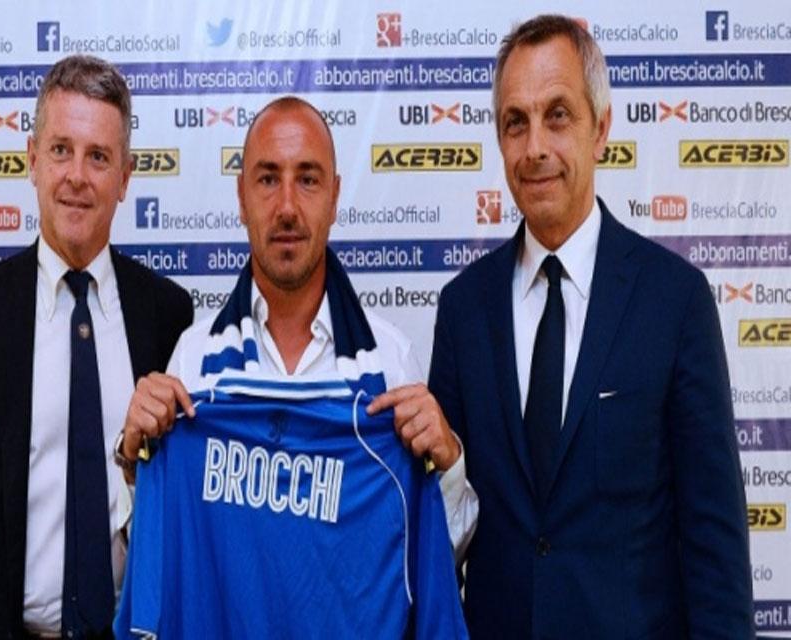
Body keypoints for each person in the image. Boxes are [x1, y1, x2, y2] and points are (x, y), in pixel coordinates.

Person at [428, 14, 753, 638]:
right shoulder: (463, 309)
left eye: (557, 116)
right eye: (515, 122)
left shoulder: (674, 301)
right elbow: (445, 521)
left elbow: (715, 544)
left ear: (600, 128)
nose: (535, 148)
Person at [0, 54, 193, 639]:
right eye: (61, 150)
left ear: (125, 178)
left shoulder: (167, 315)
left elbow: (187, 516)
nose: (77, 176)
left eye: (98, 157)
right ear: (32, 159)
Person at [119, 95, 477, 557]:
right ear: (241, 198)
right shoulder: (192, 360)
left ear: (334, 197)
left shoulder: (391, 360)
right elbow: (159, 552)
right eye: (268, 179)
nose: (287, 206)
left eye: (307, 179)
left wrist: (448, 467)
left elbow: (434, 556)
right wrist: (136, 468)